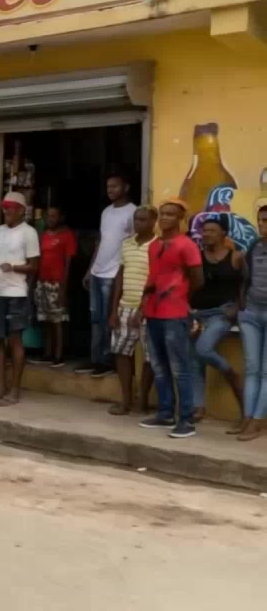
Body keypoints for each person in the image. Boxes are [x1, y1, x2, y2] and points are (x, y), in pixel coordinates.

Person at [139, 199, 204, 439]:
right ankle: (165, 413)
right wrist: (142, 305)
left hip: (175, 314)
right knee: (159, 366)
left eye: (170, 214)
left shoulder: (186, 245)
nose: (165, 218)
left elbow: (198, 279)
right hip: (153, 313)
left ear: (180, 219)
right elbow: (152, 277)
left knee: (180, 369)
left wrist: (181, 297)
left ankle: (186, 419)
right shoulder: (154, 246)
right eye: (163, 214)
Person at [0, 192, 41, 406]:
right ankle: (0, 387)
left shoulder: (29, 232)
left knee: (15, 341)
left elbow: (34, 266)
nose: (6, 210)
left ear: (21, 210)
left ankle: (15, 390)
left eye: (10, 207)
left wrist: (14, 268)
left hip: (16, 293)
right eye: (4, 207)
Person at [187, 217, 245, 424]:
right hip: (197, 313)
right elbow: (188, 282)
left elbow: (244, 285)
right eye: (204, 231)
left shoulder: (236, 257)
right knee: (195, 360)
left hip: (221, 313)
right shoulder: (196, 256)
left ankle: (231, 373)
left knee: (203, 350)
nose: (206, 234)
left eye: (212, 230)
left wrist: (237, 307)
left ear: (223, 233)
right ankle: (198, 407)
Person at [81, 175, 138, 374]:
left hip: (114, 272)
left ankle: (107, 361)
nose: (110, 190)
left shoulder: (133, 212)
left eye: (115, 186)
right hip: (98, 272)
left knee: (110, 318)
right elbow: (101, 242)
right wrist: (90, 270)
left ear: (126, 187)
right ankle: (96, 359)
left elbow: (133, 244)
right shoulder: (106, 211)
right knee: (96, 318)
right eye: (108, 187)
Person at [107, 206, 157, 416]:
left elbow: (157, 279)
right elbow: (120, 276)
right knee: (121, 352)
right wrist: (114, 309)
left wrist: (143, 309)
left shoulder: (158, 245)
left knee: (150, 357)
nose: (138, 223)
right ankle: (126, 400)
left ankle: (143, 400)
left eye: (143, 220)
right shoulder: (126, 244)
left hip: (150, 309)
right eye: (136, 219)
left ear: (153, 222)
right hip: (125, 307)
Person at [237, 205, 267, 441]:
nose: (262, 225)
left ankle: (257, 421)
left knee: (266, 372)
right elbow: (245, 279)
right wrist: (241, 305)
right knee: (252, 368)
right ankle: (247, 418)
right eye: (260, 220)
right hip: (251, 312)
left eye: (266, 220)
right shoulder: (254, 246)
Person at [35, 204, 77, 369]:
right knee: (45, 319)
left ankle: (59, 355)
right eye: (48, 216)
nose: (50, 219)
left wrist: (63, 288)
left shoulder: (67, 235)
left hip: (57, 283)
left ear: (60, 218)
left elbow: (68, 263)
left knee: (58, 321)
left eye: (54, 216)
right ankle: (47, 353)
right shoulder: (43, 235)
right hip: (42, 281)